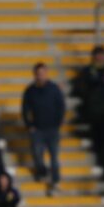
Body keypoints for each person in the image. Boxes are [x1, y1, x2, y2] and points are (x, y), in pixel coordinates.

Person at [21, 63, 66, 194]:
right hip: (37, 129)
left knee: (54, 157)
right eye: (38, 73)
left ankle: (55, 180)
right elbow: (25, 109)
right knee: (37, 154)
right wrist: (29, 126)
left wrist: (57, 124)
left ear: (46, 73)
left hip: (52, 129)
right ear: (34, 74)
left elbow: (61, 107)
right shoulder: (30, 91)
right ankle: (42, 173)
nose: (40, 76)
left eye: (42, 73)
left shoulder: (54, 88)